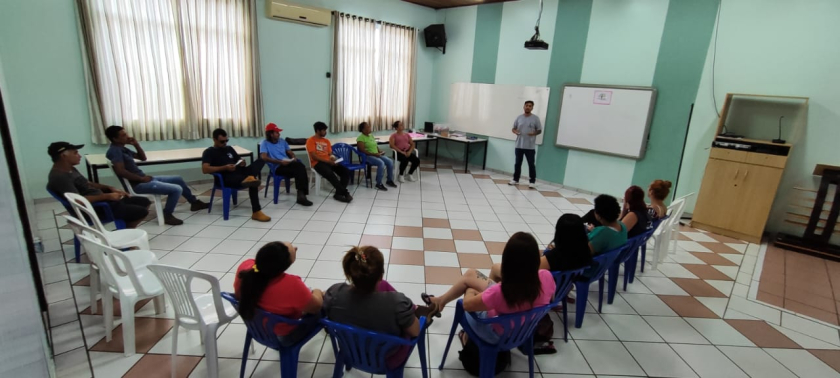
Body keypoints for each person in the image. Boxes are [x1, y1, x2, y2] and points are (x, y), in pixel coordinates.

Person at [425, 232, 556, 343]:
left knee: (469, 287)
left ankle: (467, 337)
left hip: (496, 334)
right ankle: (440, 301)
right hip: (524, 330)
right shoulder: (546, 276)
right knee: (471, 273)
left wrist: (471, 291)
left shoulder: (501, 292)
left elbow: (467, 305)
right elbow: (551, 298)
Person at [323, 246, 435, 367]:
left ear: (350, 273)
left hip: (350, 351)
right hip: (387, 359)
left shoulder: (334, 293)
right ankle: (414, 310)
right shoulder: (396, 303)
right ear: (381, 276)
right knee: (409, 322)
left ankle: (414, 310)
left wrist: (319, 292)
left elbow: (322, 307)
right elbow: (415, 332)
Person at [104, 126, 208, 226]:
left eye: (126, 134)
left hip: (143, 179)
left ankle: (194, 203)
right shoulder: (115, 151)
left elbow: (142, 158)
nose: (127, 136)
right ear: (115, 139)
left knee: (177, 179)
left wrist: (136, 144)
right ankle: (167, 214)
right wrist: (141, 179)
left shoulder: (122, 149)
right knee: (176, 189)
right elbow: (120, 171)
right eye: (123, 135)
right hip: (138, 184)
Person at [233, 241, 324, 346]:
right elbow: (316, 307)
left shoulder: (246, 268)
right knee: (324, 306)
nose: (295, 248)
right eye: (292, 249)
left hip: (256, 328)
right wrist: (318, 292)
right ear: (286, 264)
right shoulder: (291, 285)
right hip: (283, 337)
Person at [47, 142, 151, 229]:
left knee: (144, 201)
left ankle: (124, 229)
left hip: (101, 201)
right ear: (63, 156)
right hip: (95, 208)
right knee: (141, 212)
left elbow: (87, 183)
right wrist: (107, 196)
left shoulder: (69, 168)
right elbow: (78, 201)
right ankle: (125, 235)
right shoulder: (60, 177)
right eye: (75, 153)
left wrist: (110, 188)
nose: (79, 156)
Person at [490, 214, 592, 282]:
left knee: (496, 268)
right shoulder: (585, 251)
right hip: (562, 288)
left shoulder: (554, 257)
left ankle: (489, 300)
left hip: (535, 290)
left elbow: (527, 272)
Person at [201, 128, 270, 222]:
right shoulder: (209, 152)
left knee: (261, 160)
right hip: (226, 178)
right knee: (253, 182)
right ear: (214, 139)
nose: (225, 143)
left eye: (226, 140)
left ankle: (248, 178)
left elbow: (239, 159)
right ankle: (256, 211)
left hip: (240, 172)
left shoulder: (229, 149)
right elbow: (205, 169)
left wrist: (242, 162)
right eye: (222, 141)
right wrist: (224, 167)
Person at [260, 123, 313, 206]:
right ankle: (301, 195)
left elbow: (289, 152)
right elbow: (264, 157)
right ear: (271, 134)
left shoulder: (282, 141)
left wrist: (293, 156)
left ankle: (301, 195)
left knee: (301, 166)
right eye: (277, 132)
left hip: (287, 162)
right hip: (277, 167)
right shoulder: (264, 143)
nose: (279, 134)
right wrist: (279, 162)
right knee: (300, 169)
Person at [306, 122, 352, 203]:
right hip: (317, 163)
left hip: (328, 162)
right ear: (318, 130)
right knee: (330, 173)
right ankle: (345, 193)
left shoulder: (326, 141)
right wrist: (328, 161)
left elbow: (330, 153)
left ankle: (338, 194)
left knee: (346, 172)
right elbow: (314, 156)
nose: (325, 132)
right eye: (324, 130)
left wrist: (333, 159)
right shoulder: (311, 140)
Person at [509, 100, 542, 189]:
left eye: (530, 106)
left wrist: (534, 133)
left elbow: (539, 130)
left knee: (531, 164)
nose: (528, 107)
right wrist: (515, 131)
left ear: (532, 108)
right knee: (517, 163)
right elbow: (513, 128)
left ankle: (532, 181)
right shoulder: (519, 117)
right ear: (523, 107)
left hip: (530, 146)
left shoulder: (535, 118)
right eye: (526, 105)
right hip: (519, 145)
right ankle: (515, 179)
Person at [357, 122, 397, 191]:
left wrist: (379, 151)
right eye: (368, 127)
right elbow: (362, 150)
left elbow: (375, 145)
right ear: (363, 130)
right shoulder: (360, 138)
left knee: (390, 161)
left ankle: (389, 180)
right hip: (367, 156)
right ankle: (378, 183)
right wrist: (374, 154)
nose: (370, 128)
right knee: (381, 163)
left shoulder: (371, 136)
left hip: (376, 154)